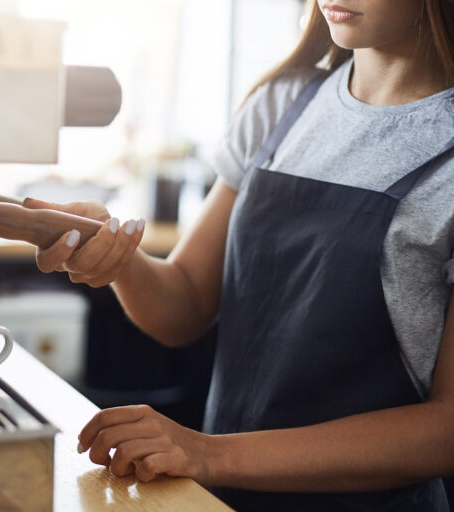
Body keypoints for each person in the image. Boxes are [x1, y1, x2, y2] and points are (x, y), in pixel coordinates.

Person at [24, 0, 454, 510]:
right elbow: (184, 304)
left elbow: (445, 430)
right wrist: (118, 258)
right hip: (218, 498)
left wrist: (206, 453)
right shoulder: (282, 104)